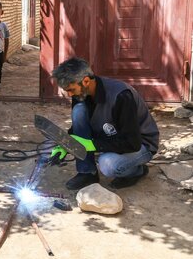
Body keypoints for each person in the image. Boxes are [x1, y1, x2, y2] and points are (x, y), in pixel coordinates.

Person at [50, 57, 159, 190]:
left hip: (141, 144)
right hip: (111, 138)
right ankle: (87, 173)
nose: (69, 94)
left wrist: (92, 145)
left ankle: (137, 171)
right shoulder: (80, 95)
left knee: (107, 165)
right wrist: (65, 143)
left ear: (86, 81)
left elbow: (132, 143)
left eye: (71, 90)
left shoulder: (121, 96)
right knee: (79, 111)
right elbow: (79, 127)